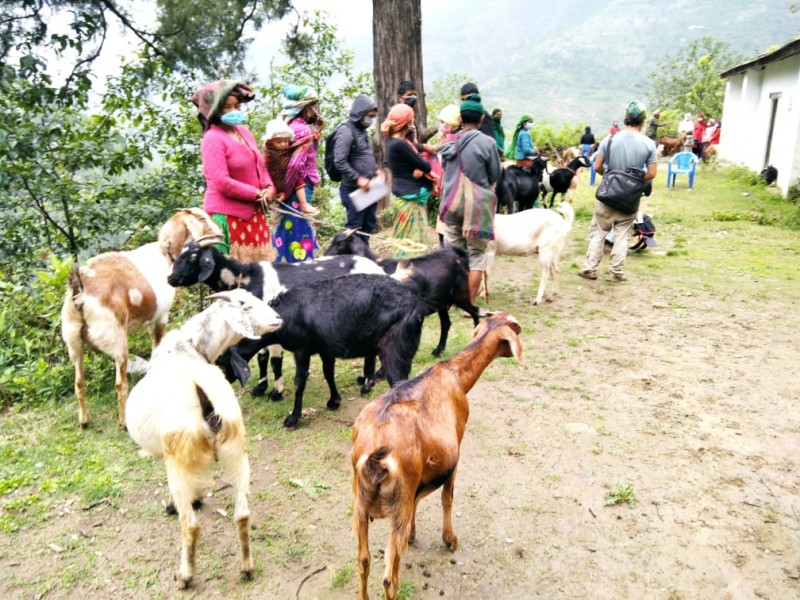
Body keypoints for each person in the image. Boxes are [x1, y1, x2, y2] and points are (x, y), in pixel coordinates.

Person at [190, 80, 276, 262]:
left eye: (236, 105)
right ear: (214, 110)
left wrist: (269, 187)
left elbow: (259, 165)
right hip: (228, 218)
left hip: (254, 217)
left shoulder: (244, 132)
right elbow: (222, 182)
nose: (233, 111)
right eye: (226, 107)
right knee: (235, 278)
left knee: (259, 276)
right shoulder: (212, 139)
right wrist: (256, 193)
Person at [578, 100, 657, 283]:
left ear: (625, 119)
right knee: (622, 235)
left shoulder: (610, 139)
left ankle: (590, 269)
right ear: (643, 121)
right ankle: (616, 273)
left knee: (599, 232)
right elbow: (652, 173)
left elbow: (596, 166)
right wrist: (633, 181)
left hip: (607, 195)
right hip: (630, 199)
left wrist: (611, 175)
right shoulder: (648, 144)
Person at [438, 95, 501, 307]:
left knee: (453, 255)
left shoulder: (449, 142)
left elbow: (446, 172)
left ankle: (451, 300)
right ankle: (468, 305)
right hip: (476, 208)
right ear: (482, 118)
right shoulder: (487, 143)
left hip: (451, 205)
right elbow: (494, 175)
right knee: (476, 256)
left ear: (461, 118)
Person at [276, 84, 322, 263]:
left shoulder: (289, 126)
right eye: (315, 105)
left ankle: (284, 264)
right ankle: (302, 269)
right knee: (300, 233)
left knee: (285, 231)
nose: (317, 109)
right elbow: (295, 166)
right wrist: (288, 191)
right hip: (298, 189)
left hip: (289, 187)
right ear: (307, 107)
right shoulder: (302, 130)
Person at [382, 103, 434, 257]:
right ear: (406, 123)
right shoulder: (400, 144)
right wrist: (420, 166)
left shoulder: (393, 142)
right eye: (411, 121)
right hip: (408, 197)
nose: (413, 124)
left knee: (403, 236)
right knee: (410, 242)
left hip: (401, 194)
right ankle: (407, 273)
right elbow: (425, 165)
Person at [333, 95, 382, 243]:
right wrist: (358, 178)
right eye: (369, 116)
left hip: (370, 188)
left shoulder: (363, 131)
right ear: (360, 114)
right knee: (354, 228)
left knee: (368, 225)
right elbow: (339, 161)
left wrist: (376, 170)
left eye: (373, 117)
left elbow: (365, 155)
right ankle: (351, 259)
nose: (371, 120)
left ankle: (364, 255)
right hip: (353, 189)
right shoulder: (346, 131)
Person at [434, 104, 462, 246]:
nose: (443, 126)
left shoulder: (447, 142)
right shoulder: (463, 138)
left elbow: (442, 166)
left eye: (444, 122)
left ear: (452, 123)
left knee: (445, 228)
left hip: (448, 187)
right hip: (460, 188)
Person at [397, 80, 437, 153]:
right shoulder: (398, 117)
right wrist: (423, 147)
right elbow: (400, 144)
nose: (413, 97)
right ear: (400, 98)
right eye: (409, 95)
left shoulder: (410, 115)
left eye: (414, 95)